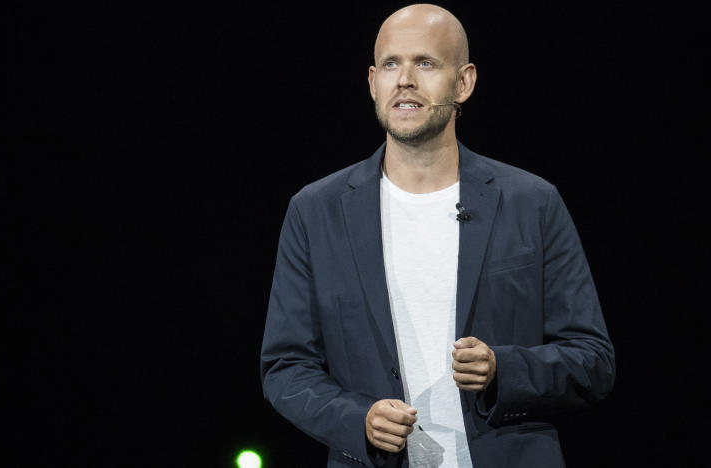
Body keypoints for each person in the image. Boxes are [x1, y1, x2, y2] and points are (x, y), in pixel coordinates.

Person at [260, 4, 615, 467]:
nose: (405, 79)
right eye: (391, 64)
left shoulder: (532, 202)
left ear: (463, 82)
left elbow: (593, 359)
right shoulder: (315, 211)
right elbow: (286, 367)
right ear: (372, 83)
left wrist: (502, 371)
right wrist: (358, 419)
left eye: (425, 63)